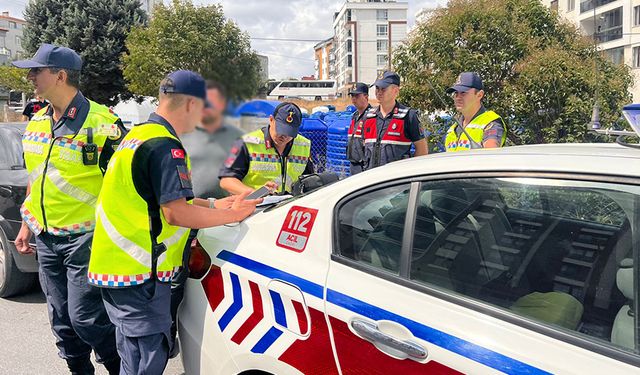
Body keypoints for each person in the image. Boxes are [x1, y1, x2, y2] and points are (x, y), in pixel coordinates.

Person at [87, 70, 260, 375]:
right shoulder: (166, 146)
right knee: (146, 362)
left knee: (132, 356)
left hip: (117, 268)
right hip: (141, 275)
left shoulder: (139, 136)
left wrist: (213, 203)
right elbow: (175, 213)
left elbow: (154, 198)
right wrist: (232, 214)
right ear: (191, 104)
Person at [12, 43, 124, 375]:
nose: (31, 77)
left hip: (85, 238)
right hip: (46, 237)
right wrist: (26, 224)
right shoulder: (36, 123)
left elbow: (128, 180)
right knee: (61, 321)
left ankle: (119, 366)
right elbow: (37, 178)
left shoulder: (104, 123)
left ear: (60, 76)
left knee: (86, 318)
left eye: (37, 71)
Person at [168, 79, 243, 358]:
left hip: (216, 217)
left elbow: (234, 177)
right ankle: (170, 333)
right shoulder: (180, 137)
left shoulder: (233, 139)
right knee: (178, 281)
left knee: (208, 283)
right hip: (187, 218)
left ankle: (205, 334)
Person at [219, 102, 314, 195]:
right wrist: (256, 194)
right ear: (271, 120)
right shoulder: (247, 143)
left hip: (287, 206)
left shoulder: (304, 145)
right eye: (280, 129)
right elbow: (226, 180)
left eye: (289, 132)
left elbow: (308, 179)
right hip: (254, 207)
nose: (284, 136)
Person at [180, 80, 244, 199]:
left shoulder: (239, 137)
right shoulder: (180, 134)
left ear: (222, 104)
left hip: (228, 210)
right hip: (191, 209)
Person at [362, 71, 428, 171]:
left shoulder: (408, 116)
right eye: (377, 88)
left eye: (383, 89)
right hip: (372, 181)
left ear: (395, 91)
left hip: (396, 183)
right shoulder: (368, 117)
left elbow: (422, 150)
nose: (379, 92)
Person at [444, 72, 507, 151]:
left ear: (479, 95)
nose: (458, 97)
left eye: (463, 93)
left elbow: (491, 153)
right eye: (456, 93)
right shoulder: (452, 130)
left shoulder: (490, 123)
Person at [346, 82, 372, 175]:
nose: (353, 99)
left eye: (357, 96)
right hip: (353, 163)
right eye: (352, 96)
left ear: (366, 97)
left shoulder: (371, 116)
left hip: (364, 165)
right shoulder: (355, 115)